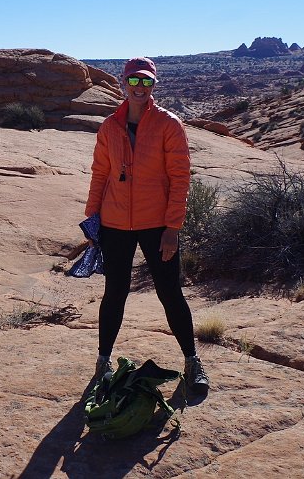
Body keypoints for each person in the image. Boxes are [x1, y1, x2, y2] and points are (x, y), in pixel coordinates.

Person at [84, 56, 209, 393]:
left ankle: (192, 361)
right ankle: (103, 361)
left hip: (156, 224)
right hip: (114, 223)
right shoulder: (109, 126)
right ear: (123, 84)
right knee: (115, 293)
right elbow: (100, 174)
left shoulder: (169, 124)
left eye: (146, 82)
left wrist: (173, 228)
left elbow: (180, 178)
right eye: (134, 82)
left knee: (170, 292)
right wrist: (92, 221)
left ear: (154, 85)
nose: (140, 88)